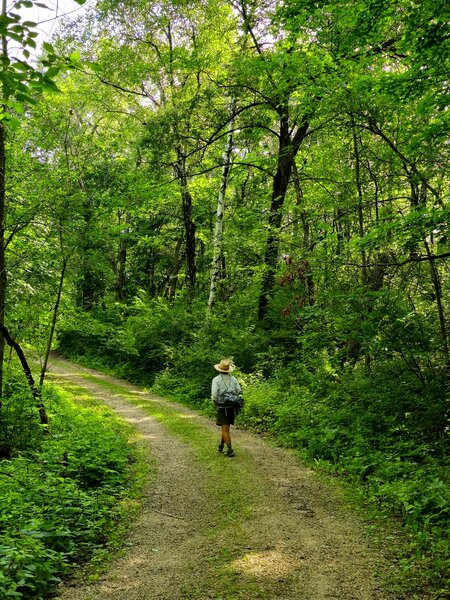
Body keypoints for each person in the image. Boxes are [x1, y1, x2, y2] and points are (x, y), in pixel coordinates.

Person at [211, 358, 242, 458]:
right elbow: (238, 391)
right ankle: (221, 446)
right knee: (226, 428)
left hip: (222, 407)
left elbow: (214, 395)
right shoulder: (233, 379)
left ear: (219, 369)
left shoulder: (216, 380)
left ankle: (230, 450)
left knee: (225, 429)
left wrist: (215, 403)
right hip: (232, 407)